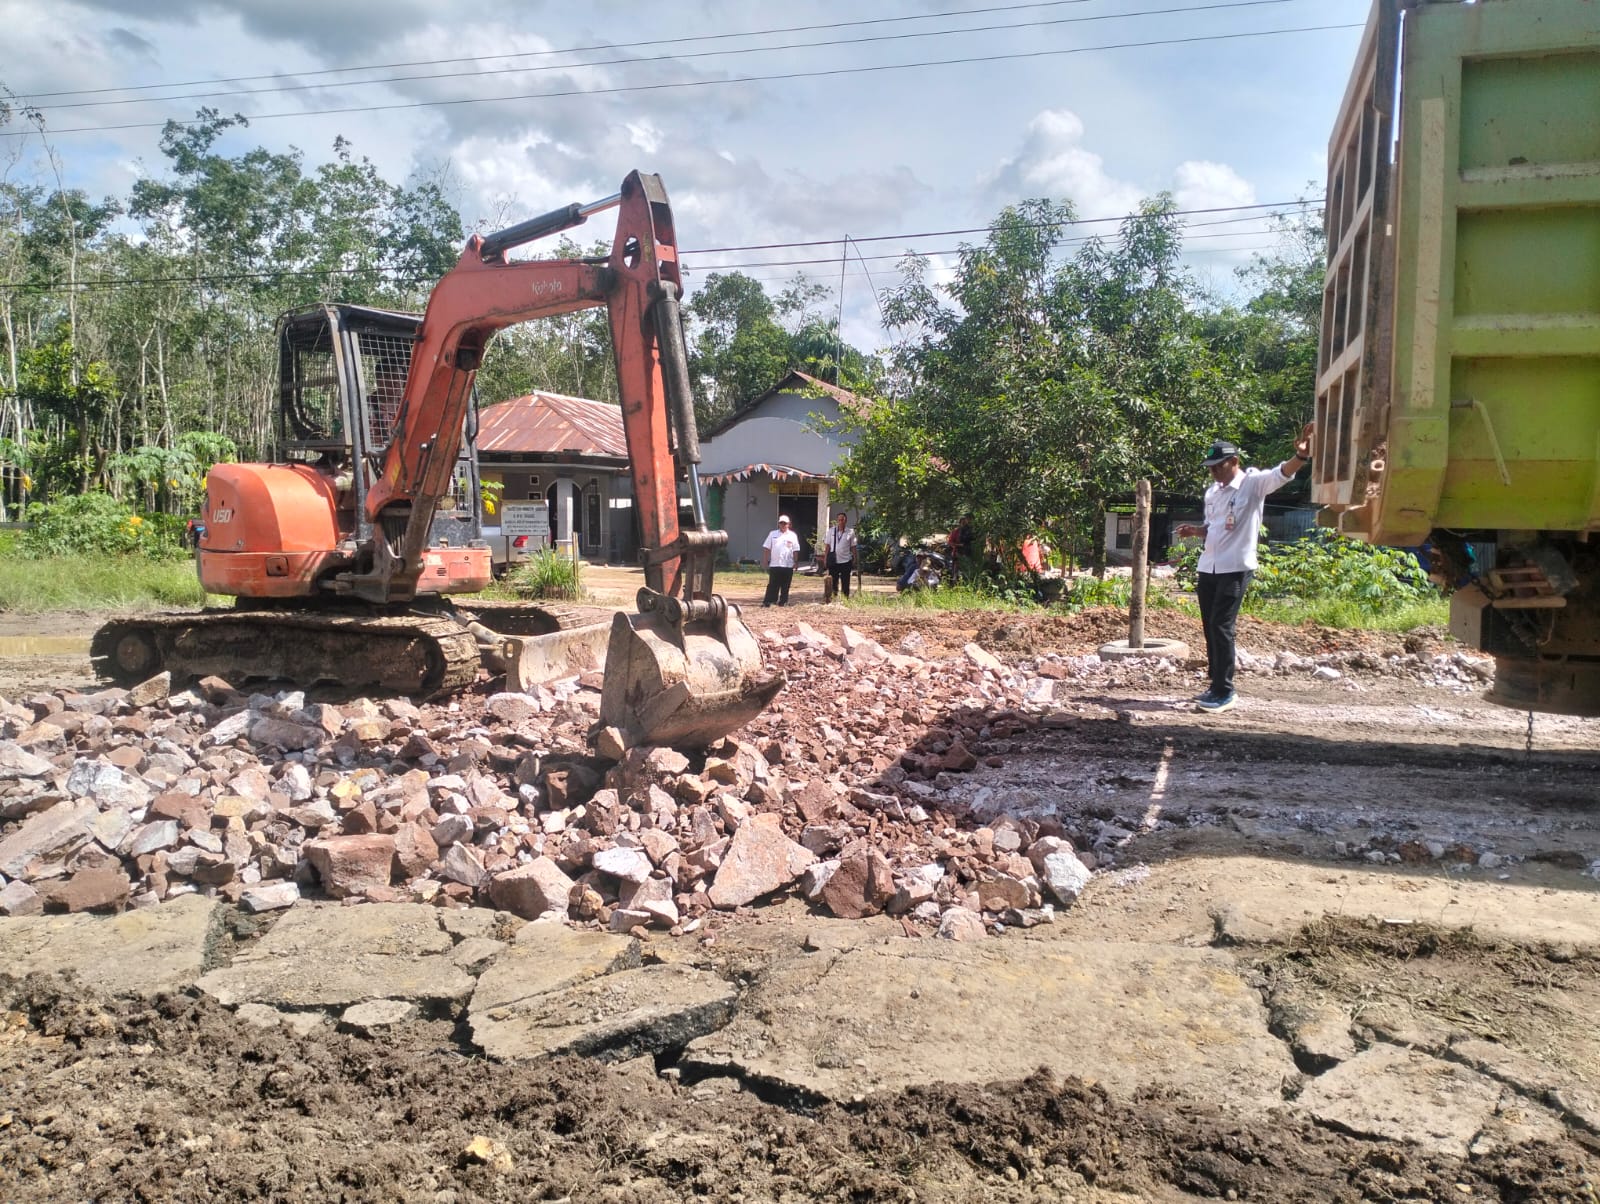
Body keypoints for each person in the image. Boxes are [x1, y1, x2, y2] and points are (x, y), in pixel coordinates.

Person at [1174, 424, 1314, 713]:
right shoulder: (1212, 492)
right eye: (1210, 467)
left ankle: (1225, 691)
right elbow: (1213, 527)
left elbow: (1282, 474)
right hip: (1209, 567)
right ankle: (1214, 685)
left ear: (1234, 462)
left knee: (1222, 626)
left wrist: (1300, 457)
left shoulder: (1252, 484)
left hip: (1235, 568)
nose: (1214, 472)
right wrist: (1195, 532)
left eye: (1219, 466)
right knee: (1209, 626)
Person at [761, 514, 802, 607]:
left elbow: (795, 550)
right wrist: (765, 560)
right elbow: (767, 548)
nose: (783, 525)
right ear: (779, 524)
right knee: (772, 584)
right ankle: (769, 601)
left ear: (789, 524)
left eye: (785, 523)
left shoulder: (792, 535)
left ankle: (783, 601)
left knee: (785, 585)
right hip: (775, 564)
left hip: (788, 564)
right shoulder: (772, 534)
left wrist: (796, 562)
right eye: (781, 523)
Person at [825, 511, 857, 599]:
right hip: (834, 561)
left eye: (842, 520)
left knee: (845, 582)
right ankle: (834, 597)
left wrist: (855, 558)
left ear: (845, 521)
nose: (841, 521)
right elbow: (827, 545)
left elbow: (853, 546)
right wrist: (825, 558)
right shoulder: (831, 531)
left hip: (846, 561)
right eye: (839, 520)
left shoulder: (850, 532)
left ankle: (845, 598)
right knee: (834, 581)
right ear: (837, 521)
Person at [948, 514, 976, 583]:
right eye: (962, 522)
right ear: (960, 523)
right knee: (956, 568)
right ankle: (954, 580)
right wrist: (958, 545)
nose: (964, 524)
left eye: (965, 522)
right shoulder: (955, 531)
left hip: (967, 553)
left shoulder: (969, 531)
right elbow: (950, 542)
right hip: (957, 552)